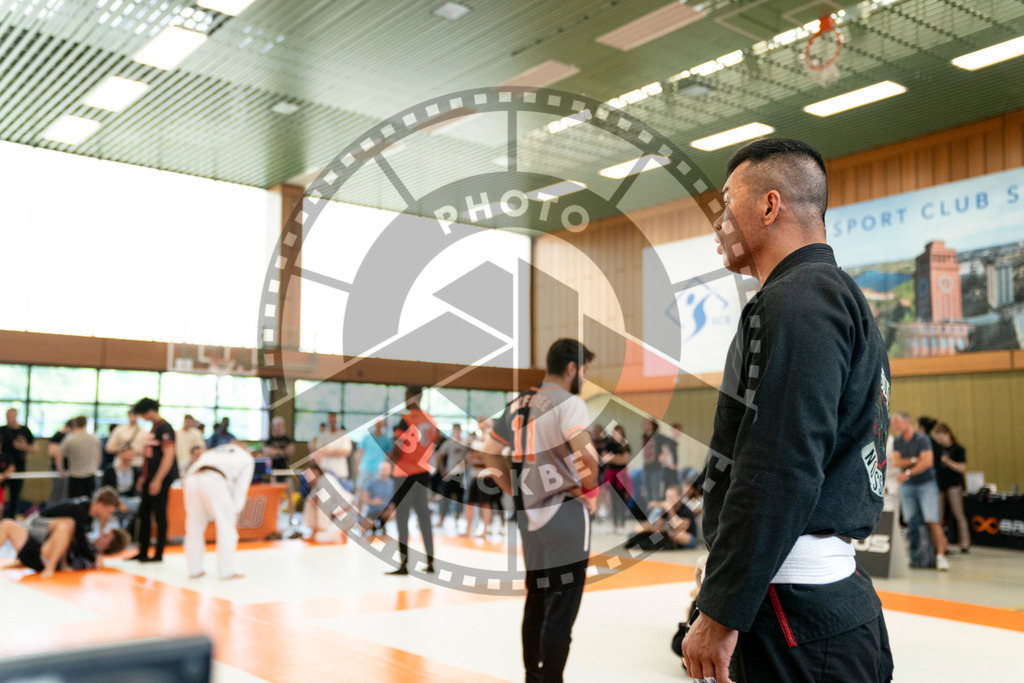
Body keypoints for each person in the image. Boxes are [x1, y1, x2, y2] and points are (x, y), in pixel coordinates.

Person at [681, 139, 893, 683]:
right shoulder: (832, 294)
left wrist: (723, 606)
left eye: (726, 204)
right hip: (815, 604)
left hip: (794, 611)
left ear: (769, 206)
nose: (718, 223)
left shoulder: (797, 301)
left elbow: (782, 463)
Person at [476, 338, 599, 683]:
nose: (585, 379)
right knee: (561, 611)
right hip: (566, 513)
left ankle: (533, 676)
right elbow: (587, 457)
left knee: (537, 600)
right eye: (585, 371)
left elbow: (488, 453)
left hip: (529, 515)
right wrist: (587, 485)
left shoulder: (518, 403)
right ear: (572, 368)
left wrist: (517, 489)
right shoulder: (569, 403)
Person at [0, 487, 128, 577]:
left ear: (108, 546)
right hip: (36, 525)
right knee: (68, 524)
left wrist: (95, 558)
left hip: (42, 553)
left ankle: (50, 566)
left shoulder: (90, 552)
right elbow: (80, 537)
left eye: (105, 537)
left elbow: (82, 547)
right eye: (109, 511)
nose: (100, 536)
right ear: (101, 504)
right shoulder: (81, 511)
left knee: (7, 523)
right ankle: (41, 564)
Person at [384, 386, 438, 575]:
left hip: (405, 473)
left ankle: (404, 564)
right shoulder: (430, 420)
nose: (406, 400)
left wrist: (389, 457)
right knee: (424, 517)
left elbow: (398, 448)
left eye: (407, 397)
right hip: (423, 473)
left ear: (414, 397)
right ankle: (430, 562)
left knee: (402, 519)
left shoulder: (406, 420)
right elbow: (434, 443)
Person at [183, 441, 254, 580]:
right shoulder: (246, 457)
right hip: (214, 480)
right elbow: (241, 487)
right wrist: (234, 512)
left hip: (192, 478)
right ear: (244, 447)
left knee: (194, 525)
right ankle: (226, 571)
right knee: (227, 527)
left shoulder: (214, 450)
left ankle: (194, 570)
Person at [891, 411, 949, 570]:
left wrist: (908, 471)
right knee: (912, 521)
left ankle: (941, 556)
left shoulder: (922, 439)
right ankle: (917, 557)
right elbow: (897, 461)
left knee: (932, 520)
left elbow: (927, 463)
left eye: (896, 422)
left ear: (906, 423)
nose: (893, 425)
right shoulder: (898, 441)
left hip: (926, 485)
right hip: (908, 486)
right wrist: (916, 459)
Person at [128, 397, 178, 563]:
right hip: (150, 476)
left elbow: (168, 456)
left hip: (160, 478)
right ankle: (142, 551)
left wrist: (157, 480)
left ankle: (158, 553)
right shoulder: (154, 428)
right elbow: (150, 457)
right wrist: (144, 476)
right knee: (144, 512)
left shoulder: (165, 428)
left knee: (159, 514)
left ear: (149, 411)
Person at [932, 422, 970, 553]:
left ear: (948, 434)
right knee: (938, 516)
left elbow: (962, 468)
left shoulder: (958, 449)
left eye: (941, 437)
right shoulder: (938, 450)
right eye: (938, 438)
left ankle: (964, 543)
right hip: (940, 485)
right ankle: (943, 544)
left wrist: (948, 461)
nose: (940, 440)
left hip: (954, 485)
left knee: (958, 513)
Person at [625, 485, 697, 551]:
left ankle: (668, 544)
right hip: (669, 535)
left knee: (677, 535)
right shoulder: (664, 510)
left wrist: (671, 511)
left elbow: (679, 528)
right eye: (667, 497)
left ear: (679, 497)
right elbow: (658, 526)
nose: (669, 500)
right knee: (650, 532)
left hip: (687, 538)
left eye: (672, 497)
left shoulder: (686, 511)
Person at [0, 407, 34, 518]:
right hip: (3, 467)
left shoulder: (24, 430)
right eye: (7, 416)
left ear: (15, 416)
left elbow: (33, 448)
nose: (9, 419)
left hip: (18, 466)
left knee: (15, 495)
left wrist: (24, 447)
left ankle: (12, 518)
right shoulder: (2, 430)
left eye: (11, 416)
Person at [434, 424, 469, 529]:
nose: (456, 433)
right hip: (449, 474)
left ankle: (457, 519)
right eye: (455, 431)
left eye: (458, 431)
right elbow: (439, 455)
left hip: (461, 474)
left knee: (460, 498)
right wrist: (443, 470)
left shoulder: (465, 443)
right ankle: (441, 519)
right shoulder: (449, 443)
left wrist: (465, 463)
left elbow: (469, 457)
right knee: (445, 497)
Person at [601, 424, 633, 533]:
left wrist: (612, 457)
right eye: (615, 433)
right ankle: (615, 524)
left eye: (619, 433)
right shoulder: (609, 444)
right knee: (613, 500)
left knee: (622, 500)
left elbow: (625, 460)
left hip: (622, 476)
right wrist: (618, 458)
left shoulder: (625, 445)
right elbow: (604, 458)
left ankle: (622, 523)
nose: (617, 435)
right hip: (611, 474)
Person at [60, 416, 101, 498]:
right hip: (90, 475)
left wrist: (61, 470)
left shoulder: (69, 439)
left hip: (75, 476)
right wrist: (95, 469)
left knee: (74, 504)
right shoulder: (95, 439)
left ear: (75, 424)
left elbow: (60, 455)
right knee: (88, 503)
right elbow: (99, 456)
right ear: (85, 424)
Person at [312, 412, 353, 485]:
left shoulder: (343, 434)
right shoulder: (323, 435)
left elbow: (346, 452)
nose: (332, 422)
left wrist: (327, 451)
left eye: (334, 420)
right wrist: (338, 451)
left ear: (336, 421)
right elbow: (319, 451)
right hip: (325, 471)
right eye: (330, 420)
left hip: (340, 472)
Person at [354, 418, 391, 495]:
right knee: (361, 490)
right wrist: (358, 465)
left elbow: (388, 455)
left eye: (380, 424)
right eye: (377, 424)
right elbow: (360, 452)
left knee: (375, 492)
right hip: (365, 467)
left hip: (378, 469)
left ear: (383, 426)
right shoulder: (367, 437)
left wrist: (386, 469)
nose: (379, 426)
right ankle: (359, 507)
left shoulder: (386, 440)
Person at [359, 461, 394, 536]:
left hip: (385, 511)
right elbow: (364, 499)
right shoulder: (371, 483)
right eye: (383, 469)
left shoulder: (392, 484)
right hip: (373, 511)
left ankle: (383, 527)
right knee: (364, 528)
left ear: (390, 471)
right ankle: (372, 527)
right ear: (379, 470)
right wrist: (373, 502)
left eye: (387, 469)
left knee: (392, 513)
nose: (385, 471)